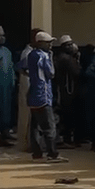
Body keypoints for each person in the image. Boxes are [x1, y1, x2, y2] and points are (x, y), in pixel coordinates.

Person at [28, 32, 68, 163]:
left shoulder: (31, 54)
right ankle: (52, 154)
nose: (51, 45)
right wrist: (50, 57)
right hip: (43, 94)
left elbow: (21, 68)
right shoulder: (43, 55)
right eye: (48, 42)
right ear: (40, 43)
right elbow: (51, 73)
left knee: (35, 126)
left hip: (33, 94)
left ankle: (37, 153)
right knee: (49, 126)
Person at [16, 29, 42, 152]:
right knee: (27, 116)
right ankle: (27, 143)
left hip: (34, 88)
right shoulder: (28, 54)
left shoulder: (36, 53)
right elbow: (22, 70)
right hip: (28, 87)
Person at [54, 35, 81, 148]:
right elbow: (77, 72)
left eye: (71, 44)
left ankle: (68, 138)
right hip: (66, 91)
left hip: (69, 89)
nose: (71, 47)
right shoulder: (64, 58)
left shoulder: (67, 57)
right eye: (68, 45)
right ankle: (66, 139)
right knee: (67, 116)